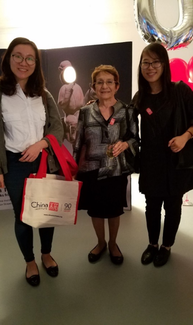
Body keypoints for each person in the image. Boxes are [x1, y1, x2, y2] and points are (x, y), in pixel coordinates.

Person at [0, 37, 64, 286]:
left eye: (30, 58)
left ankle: (46, 254)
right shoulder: (2, 93)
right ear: (9, 59)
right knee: (23, 216)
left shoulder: (43, 93)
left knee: (46, 214)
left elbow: (57, 128)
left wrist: (41, 144)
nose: (23, 62)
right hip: (14, 164)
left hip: (42, 160)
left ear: (36, 63)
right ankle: (29, 260)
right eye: (18, 56)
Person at [131, 42, 193, 267]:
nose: (150, 67)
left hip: (176, 162)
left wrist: (185, 136)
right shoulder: (140, 97)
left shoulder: (180, 90)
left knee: (173, 207)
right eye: (146, 62)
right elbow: (123, 119)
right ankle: (152, 245)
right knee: (152, 207)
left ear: (164, 64)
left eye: (155, 61)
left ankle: (166, 246)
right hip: (151, 161)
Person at [73, 64, 139, 265]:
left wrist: (126, 144)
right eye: (100, 82)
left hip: (116, 169)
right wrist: (75, 168)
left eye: (109, 82)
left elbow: (135, 138)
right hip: (91, 169)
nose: (104, 86)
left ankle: (113, 243)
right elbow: (78, 141)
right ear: (93, 86)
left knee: (114, 209)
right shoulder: (85, 111)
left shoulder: (127, 111)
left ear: (117, 86)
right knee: (95, 210)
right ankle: (100, 242)